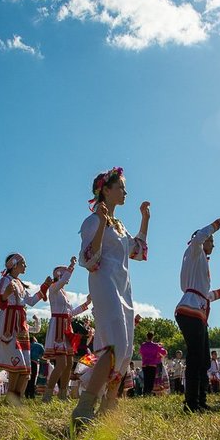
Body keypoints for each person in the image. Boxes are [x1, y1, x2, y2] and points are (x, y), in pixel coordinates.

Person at [71, 167, 150, 426]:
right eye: (121, 187)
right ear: (105, 190)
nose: (125, 191)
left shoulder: (120, 226)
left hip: (123, 288)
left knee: (125, 349)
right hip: (104, 285)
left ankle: (108, 409)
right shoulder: (93, 221)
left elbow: (136, 252)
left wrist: (145, 220)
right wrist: (103, 224)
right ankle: (85, 406)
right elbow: (88, 259)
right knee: (114, 343)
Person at [174, 219, 220, 413]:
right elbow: (197, 239)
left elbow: (203, 294)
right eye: (210, 240)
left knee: (203, 360)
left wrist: (218, 294)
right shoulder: (194, 251)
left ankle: (200, 400)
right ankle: (191, 403)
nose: (213, 243)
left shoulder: (200, 261)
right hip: (190, 310)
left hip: (197, 310)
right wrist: (212, 227)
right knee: (196, 357)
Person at [0, 253, 46, 405]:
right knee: (16, 363)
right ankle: (11, 398)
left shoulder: (20, 283)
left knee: (25, 366)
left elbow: (31, 301)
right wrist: (5, 295)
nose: (26, 266)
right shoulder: (5, 280)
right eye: (23, 263)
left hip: (21, 324)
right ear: (14, 264)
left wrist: (45, 286)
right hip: (9, 323)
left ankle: (16, 398)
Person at [42, 257, 91, 402]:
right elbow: (62, 281)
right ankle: (48, 393)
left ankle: (63, 394)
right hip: (58, 327)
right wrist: (72, 266)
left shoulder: (63, 293)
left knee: (69, 363)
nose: (67, 278)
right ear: (59, 274)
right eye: (63, 273)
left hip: (66, 327)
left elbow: (71, 313)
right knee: (62, 363)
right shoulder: (54, 288)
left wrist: (86, 303)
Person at [139, 332, 167, 397]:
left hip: (145, 365)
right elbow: (164, 352)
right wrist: (158, 355)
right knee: (151, 380)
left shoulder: (143, 345)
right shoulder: (156, 345)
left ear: (146, 337)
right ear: (153, 337)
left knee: (146, 380)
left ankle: (145, 394)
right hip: (152, 365)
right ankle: (148, 394)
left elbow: (140, 352)